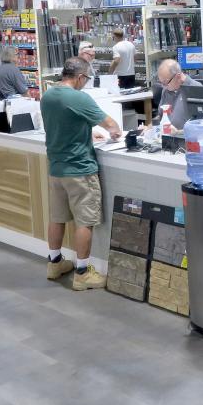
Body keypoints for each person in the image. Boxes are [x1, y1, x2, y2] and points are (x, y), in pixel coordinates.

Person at [41, 57, 122, 290]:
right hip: (79, 169)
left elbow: (63, 124)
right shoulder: (78, 97)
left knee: (57, 217)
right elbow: (112, 125)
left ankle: (54, 263)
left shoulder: (48, 96)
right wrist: (113, 132)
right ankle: (82, 273)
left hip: (56, 167)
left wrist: (87, 131)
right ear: (79, 77)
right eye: (86, 79)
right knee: (85, 221)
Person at [155, 58, 199, 129]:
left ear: (178, 76)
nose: (164, 86)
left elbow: (200, 126)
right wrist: (149, 127)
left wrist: (177, 132)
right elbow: (160, 115)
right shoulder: (166, 90)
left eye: (165, 82)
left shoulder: (195, 89)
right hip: (166, 136)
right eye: (161, 83)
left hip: (185, 138)